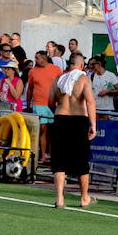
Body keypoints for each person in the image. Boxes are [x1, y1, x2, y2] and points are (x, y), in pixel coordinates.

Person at [50, 53, 97, 209]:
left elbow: (50, 101)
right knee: (81, 159)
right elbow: (90, 101)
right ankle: (84, 198)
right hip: (79, 120)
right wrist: (93, 124)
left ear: (69, 64)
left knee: (59, 159)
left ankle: (59, 198)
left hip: (60, 119)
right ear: (81, 65)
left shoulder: (58, 79)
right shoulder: (84, 79)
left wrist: (59, 110)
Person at [26, 52, 62, 163]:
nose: (35, 60)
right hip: (39, 104)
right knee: (42, 129)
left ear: (44, 58)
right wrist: (28, 104)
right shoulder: (33, 71)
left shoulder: (56, 69)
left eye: (37, 58)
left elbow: (60, 86)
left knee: (53, 130)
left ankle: (52, 154)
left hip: (53, 104)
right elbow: (30, 89)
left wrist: (60, 101)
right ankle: (43, 155)